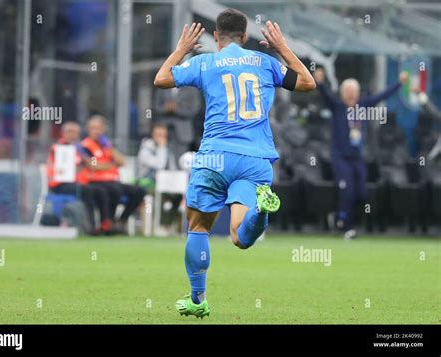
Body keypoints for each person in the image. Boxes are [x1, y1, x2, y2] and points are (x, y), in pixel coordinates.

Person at [154, 9, 315, 318]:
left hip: (214, 156)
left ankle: (198, 299)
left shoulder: (205, 62)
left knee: (198, 226)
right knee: (240, 237)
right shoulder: (264, 63)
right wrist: (282, 48)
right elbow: (307, 82)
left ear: (216, 37)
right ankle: (260, 211)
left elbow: (161, 79)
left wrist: (181, 50)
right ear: (245, 37)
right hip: (255, 159)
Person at [313, 67, 408, 240]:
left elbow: (382, 96)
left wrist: (399, 83)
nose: (350, 95)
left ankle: (340, 216)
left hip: (357, 158)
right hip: (340, 157)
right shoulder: (337, 107)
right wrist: (319, 82)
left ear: (358, 94)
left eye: (353, 92)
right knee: (347, 191)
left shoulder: (363, 106)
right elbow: (325, 94)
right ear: (342, 93)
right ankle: (346, 225)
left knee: (361, 193)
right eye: (347, 92)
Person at [80, 115, 146, 233]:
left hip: (112, 180)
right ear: (88, 130)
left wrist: (109, 148)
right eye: (93, 128)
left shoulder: (106, 145)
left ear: (103, 129)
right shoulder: (85, 146)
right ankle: (107, 223)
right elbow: (93, 166)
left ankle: (121, 220)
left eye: (98, 128)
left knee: (140, 191)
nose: (96, 131)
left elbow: (122, 161)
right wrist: (112, 164)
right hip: (96, 181)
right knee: (115, 190)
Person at [46, 121, 112, 234]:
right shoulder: (57, 148)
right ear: (63, 133)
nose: (72, 135)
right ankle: (90, 226)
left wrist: (84, 155)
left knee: (100, 190)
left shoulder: (78, 149)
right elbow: (60, 167)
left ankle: (105, 224)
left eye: (75, 132)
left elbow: (92, 164)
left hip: (76, 183)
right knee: (87, 191)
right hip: (60, 184)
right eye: (69, 132)